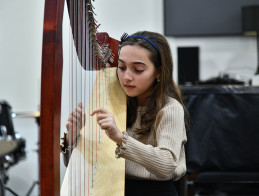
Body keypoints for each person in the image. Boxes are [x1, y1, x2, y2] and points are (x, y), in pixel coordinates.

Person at [61, 31, 188, 196]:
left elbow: (167, 165)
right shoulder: (115, 103)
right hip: (115, 188)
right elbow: (78, 165)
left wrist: (120, 138)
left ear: (159, 72)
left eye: (138, 70)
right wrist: (72, 136)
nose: (126, 77)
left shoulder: (170, 109)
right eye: (121, 67)